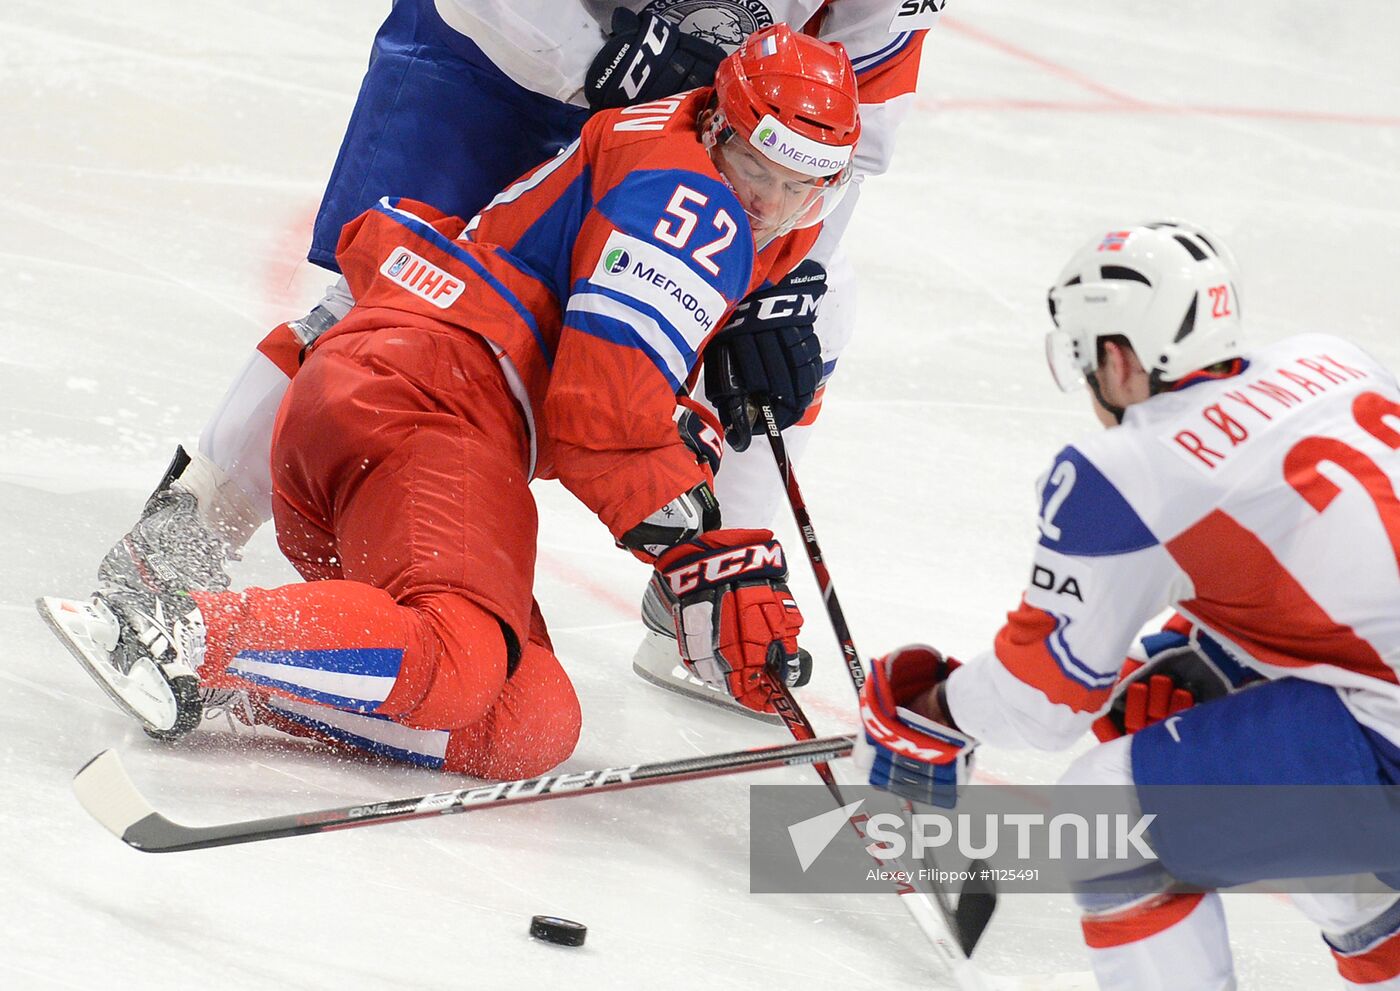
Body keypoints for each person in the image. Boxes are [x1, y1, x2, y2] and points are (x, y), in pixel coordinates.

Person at [40, 26, 861, 780]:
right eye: (757, 169)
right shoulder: (693, 208)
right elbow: (599, 416)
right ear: (719, 129)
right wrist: (704, 558)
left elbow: (630, 374)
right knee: (463, 653)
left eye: (801, 186)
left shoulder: (697, 163)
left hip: (373, 403)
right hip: (432, 408)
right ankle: (181, 634)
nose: (768, 203)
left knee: (527, 719)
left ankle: (242, 679)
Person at [853, 221, 1400, 989]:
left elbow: (1045, 700)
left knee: (1107, 818)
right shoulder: (1331, 359)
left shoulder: (1130, 465)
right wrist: (1206, 655)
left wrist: (935, 710)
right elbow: (1346, 575)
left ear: (1118, 357)